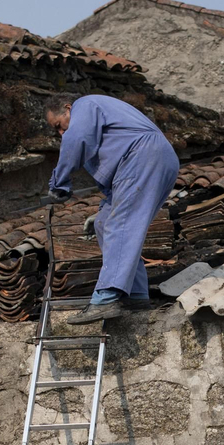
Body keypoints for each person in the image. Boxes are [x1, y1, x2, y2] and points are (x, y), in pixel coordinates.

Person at [45, 93, 180, 324]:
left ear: (68, 108)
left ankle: (106, 297)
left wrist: (59, 182)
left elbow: (75, 140)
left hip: (143, 156)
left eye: (59, 125)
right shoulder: (102, 120)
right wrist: (106, 205)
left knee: (121, 224)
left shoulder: (84, 106)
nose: (61, 133)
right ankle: (136, 294)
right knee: (105, 222)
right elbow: (111, 179)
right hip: (147, 160)